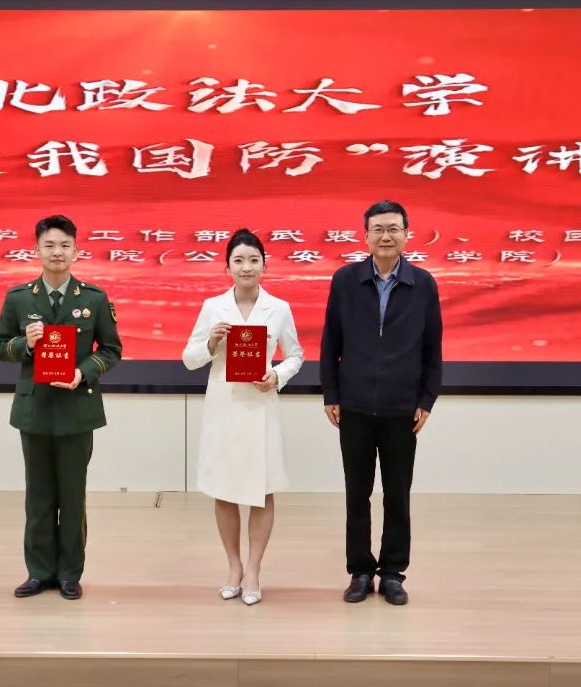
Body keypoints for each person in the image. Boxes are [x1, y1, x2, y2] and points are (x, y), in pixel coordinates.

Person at [0, 214, 122, 601]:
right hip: (34, 410)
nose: (57, 252)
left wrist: (83, 373)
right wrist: (26, 344)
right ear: (36, 250)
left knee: (72, 496)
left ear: (76, 251)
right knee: (38, 496)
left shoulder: (93, 299)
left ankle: (69, 573)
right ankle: (39, 572)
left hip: (77, 409)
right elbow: (0, 347)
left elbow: (111, 350)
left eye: (65, 245)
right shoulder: (19, 298)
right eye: (49, 245)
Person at [319, 200, 443, 606]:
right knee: (357, 493)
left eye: (393, 228)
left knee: (397, 495)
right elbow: (330, 342)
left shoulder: (423, 284)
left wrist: (426, 399)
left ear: (407, 234)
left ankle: (392, 573)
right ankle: (359, 571)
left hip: (402, 408)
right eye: (378, 229)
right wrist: (331, 393)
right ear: (366, 236)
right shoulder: (345, 280)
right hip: (353, 406)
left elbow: (433, 349)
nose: (386, 236)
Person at [182, 228, 304, 605]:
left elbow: (296, 355)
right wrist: (211, 342)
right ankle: (233, 566)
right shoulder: (212, 307)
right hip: (224, 407)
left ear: (264, 265)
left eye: (253, 260)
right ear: (227, 267)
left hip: (260, 406)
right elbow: (189, 359)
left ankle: (253, 568)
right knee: (225, 489)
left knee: (262, 490)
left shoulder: (279, 308)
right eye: (238, 260)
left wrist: (276, 376)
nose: (246, 267)